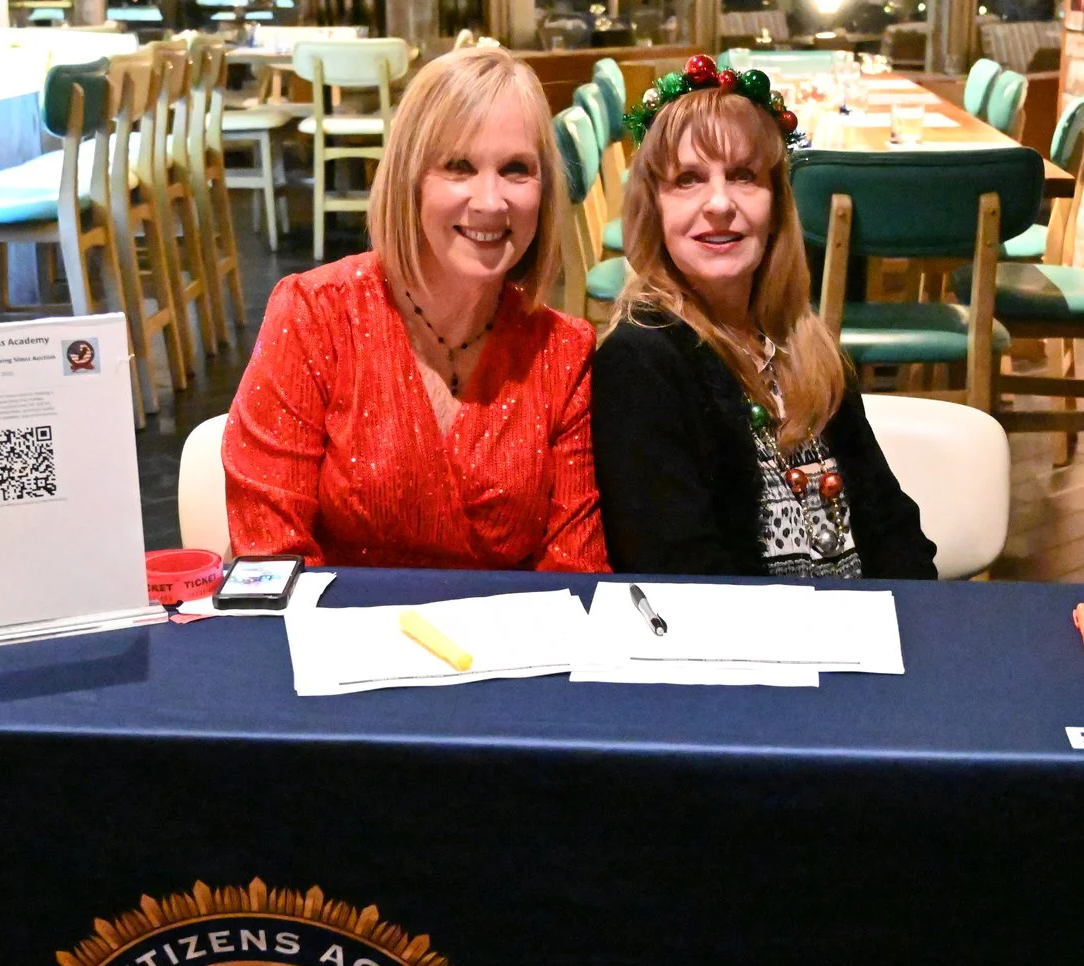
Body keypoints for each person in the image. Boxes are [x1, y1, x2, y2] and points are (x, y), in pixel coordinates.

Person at [223, 46, 607, 571]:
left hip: (511, 648)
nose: (491, 201)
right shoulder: (314, 316)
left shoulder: (562, 352)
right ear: (410, 179)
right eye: (458, 166)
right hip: (337, 642)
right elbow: (270, 556)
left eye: (517, 170)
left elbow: (576, 570)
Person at [591, 60, 936, 579]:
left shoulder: (807, 344)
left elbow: (892, 528)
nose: (720, 204)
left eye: (743, 176)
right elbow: (685, 574)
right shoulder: (642, 361)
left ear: (776, 204)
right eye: (688, 180)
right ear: (653, 208)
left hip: (867, 638)